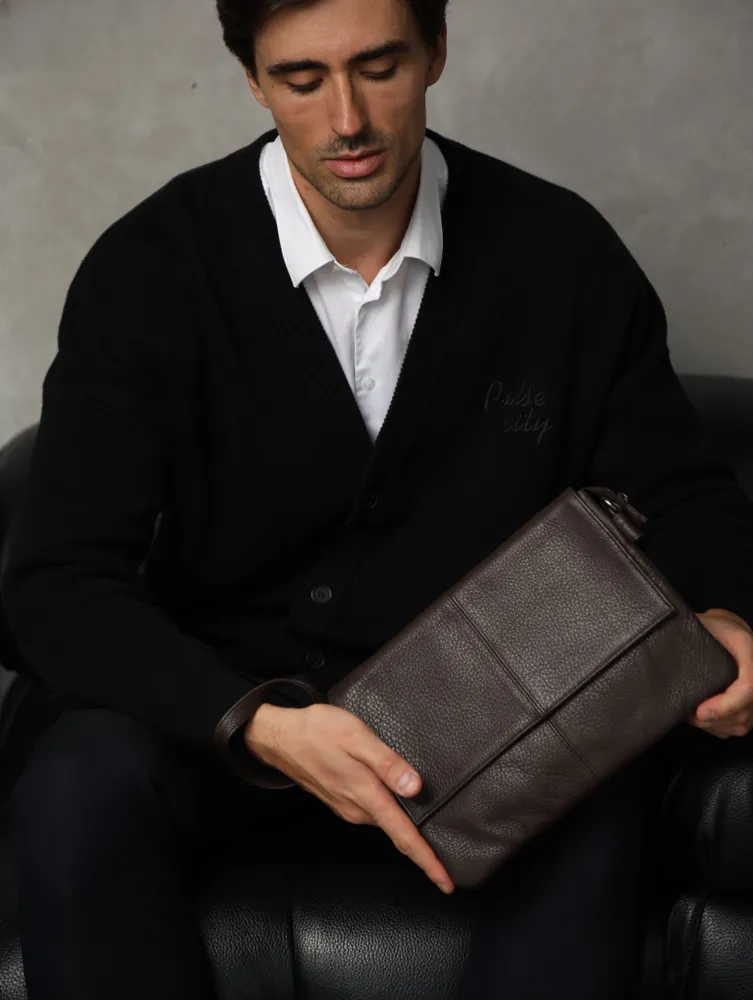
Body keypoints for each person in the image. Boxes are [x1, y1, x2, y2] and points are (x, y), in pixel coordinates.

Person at [4, 0, 753, 996]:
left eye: (379, 66)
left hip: (491, 718)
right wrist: (257, 722)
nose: (347, 119)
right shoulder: (147, 270)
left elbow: (686, 494)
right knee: (76, 787)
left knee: (604, 790)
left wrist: (729, 613)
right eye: (302, 79)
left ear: (436, 51)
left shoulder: (560, 253)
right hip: (220, 716)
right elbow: (56, 579)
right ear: (253, 79)